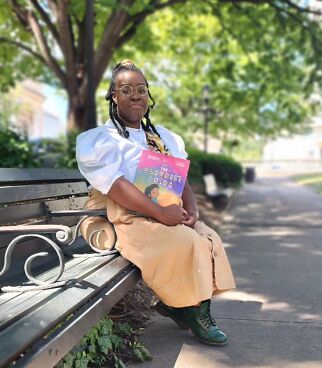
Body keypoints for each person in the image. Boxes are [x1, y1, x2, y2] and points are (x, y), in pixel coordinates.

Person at [76, 60, 235, 346]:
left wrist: (193, 210)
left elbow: (180, 177)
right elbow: (116, 185)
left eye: (141, 88)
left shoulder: (161, 136)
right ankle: (194, 313)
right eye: (126, 89)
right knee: (187, 243)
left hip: (161, 210)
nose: (135, 95)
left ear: (149, 95)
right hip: (122, 216)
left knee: (208, 237)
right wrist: (161, 213)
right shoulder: (102, 139)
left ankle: (181, 306)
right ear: (114, 97)